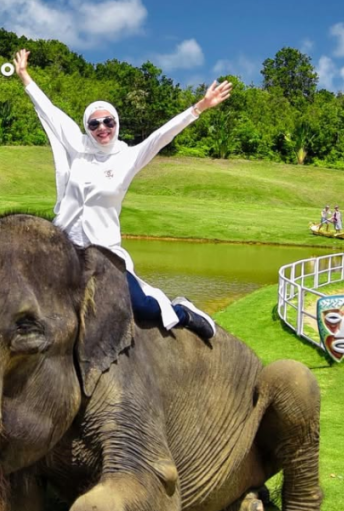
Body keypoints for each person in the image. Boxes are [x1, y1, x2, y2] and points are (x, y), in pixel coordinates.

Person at [14, 48, 232, 340]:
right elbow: (50, 111)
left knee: (143, 308)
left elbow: (162, 135)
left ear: (116, 124)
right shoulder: (78, 148)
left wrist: (199, 107)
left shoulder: (127, 157)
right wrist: (25, 76)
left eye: (108, 122)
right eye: (94, 123)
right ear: (87, 127)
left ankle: (184, 311)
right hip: (62, 247)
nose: (102, 128)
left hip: (103, 253)